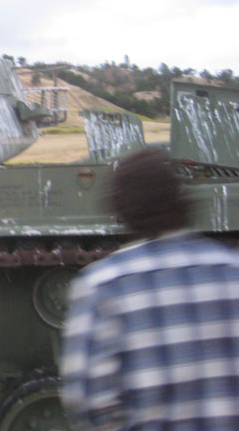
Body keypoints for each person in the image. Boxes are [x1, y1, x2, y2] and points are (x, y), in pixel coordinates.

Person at [62, 147, 239, 430]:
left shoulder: (103, 287)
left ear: (123, 211)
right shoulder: (232, 271)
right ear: (181, 201)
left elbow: (90, 404)